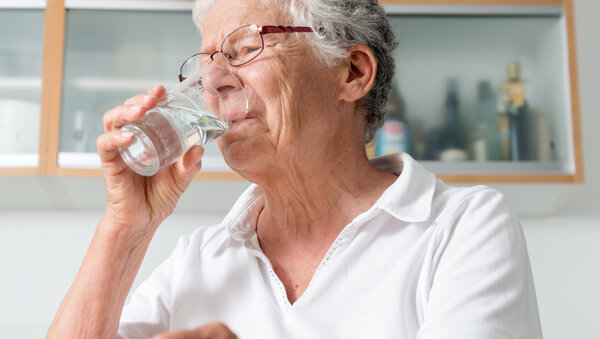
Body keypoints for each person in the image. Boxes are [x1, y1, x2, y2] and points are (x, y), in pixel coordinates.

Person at [47, 0, 543, 338]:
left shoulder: (461, 227)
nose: (214, 81)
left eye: (244, 49)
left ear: (352, 72)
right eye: (205, 62)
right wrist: (125, 227)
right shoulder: (199, 259)